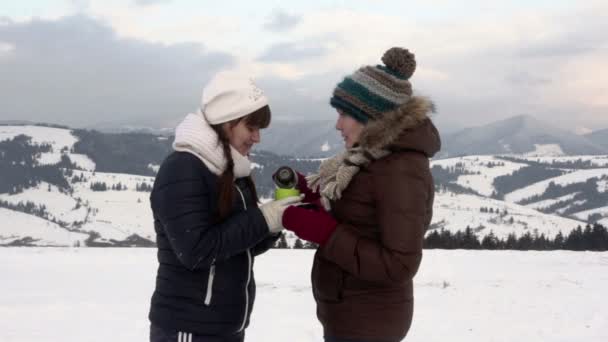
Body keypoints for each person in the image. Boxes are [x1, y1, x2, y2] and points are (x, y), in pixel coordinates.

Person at [281, 47, 441, 342]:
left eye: (344, 114)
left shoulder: (399, 169)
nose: (337, 125)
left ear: (372, 117)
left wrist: (327, 233)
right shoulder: (371, 158)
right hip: (353, 314)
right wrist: (314, 199)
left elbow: (400, 265)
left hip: (370, 323)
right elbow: (360, 219)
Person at [148, 72, 300, 342]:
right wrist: (265, 218)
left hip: (224, 327)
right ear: (226, 122)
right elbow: (195, 250)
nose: (257, 138)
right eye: (251, 127)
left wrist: (278, 221)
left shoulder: (231, 169)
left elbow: (242, 245)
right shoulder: (184, 167)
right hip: (189, 328)